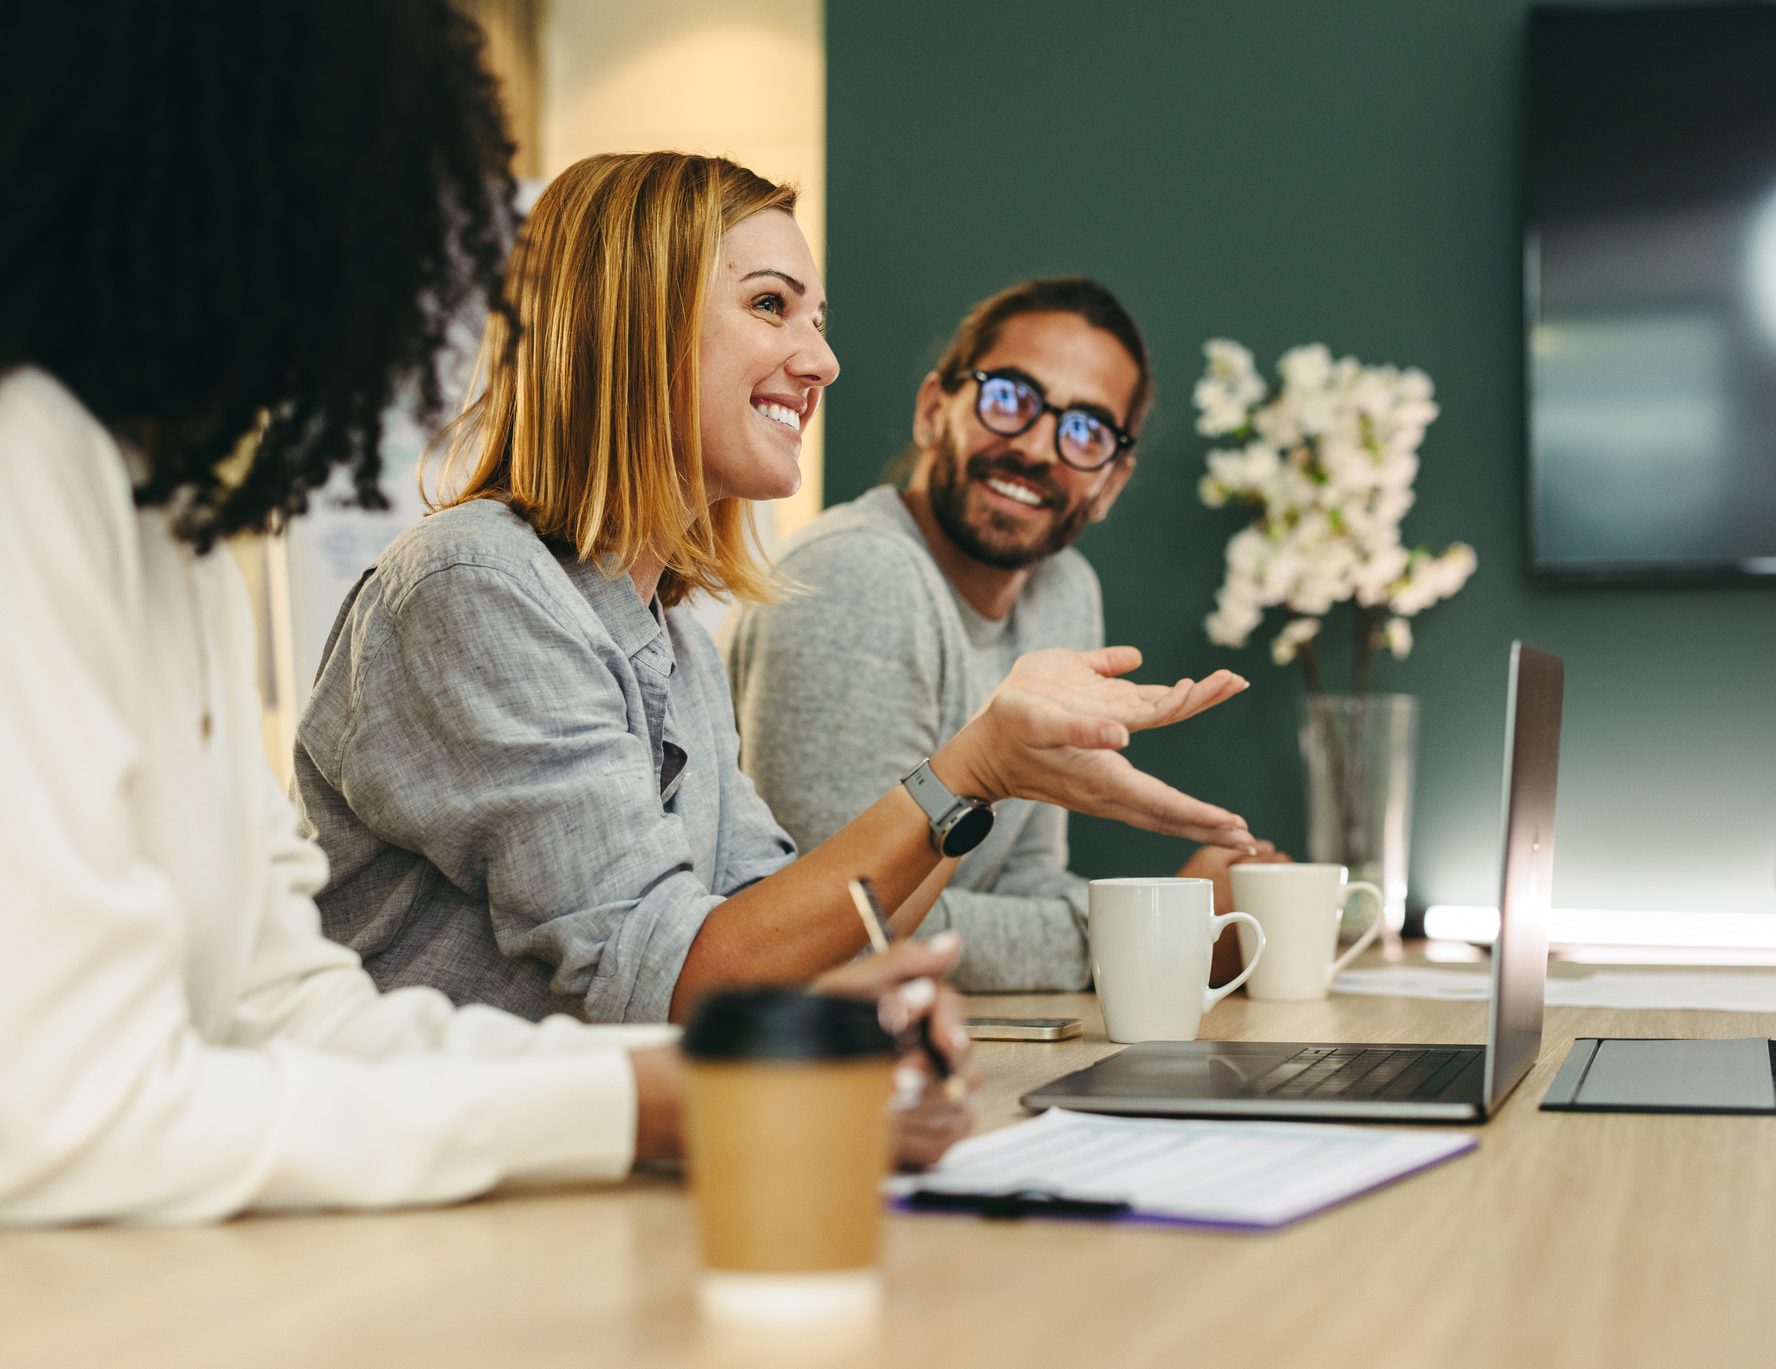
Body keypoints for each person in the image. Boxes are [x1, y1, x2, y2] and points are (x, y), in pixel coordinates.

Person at [0, 1, 966, 1226]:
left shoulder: (168, 530)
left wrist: (726, 1070)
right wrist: (652, 1103)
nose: (408, 276)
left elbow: (292, 1012)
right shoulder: (33, 464)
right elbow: (67, 1120)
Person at [295, 156, 1258, 1026]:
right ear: (637, 320)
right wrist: (974, 769)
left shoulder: (671, 639)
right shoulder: (476, 584)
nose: (823, 361)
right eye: (769, 305)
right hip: (445, 1190)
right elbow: (674, 976)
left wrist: (991, 783)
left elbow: (798, 937)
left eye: (817, 320)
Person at [726, 279, 1274, 992]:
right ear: (932, 410)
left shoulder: (1063, 589)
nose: (1040, 448)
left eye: (1085, 431)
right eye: (1010, 397)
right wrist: (1161, 932)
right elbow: (843, 934)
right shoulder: (856, 575)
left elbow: (1024, 880)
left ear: (1109, 481)